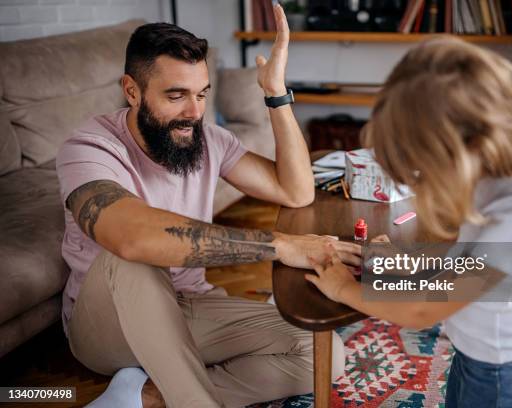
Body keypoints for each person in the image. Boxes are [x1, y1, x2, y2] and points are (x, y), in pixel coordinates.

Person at [56, 5, 360, 408]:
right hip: (107, 326)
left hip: (189, 304)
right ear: (131, 90)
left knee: (322, 353)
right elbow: (130, 237)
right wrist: (281, 245)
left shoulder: (207, 138)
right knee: (133, 253)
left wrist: (275, 93)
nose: (194, 112)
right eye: (176, 96)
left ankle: (142, 396)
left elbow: (298, 192)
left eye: (201, 95)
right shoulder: (88, 148)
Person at [306, 37, 512, 408]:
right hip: (481, 350)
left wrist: (342, 290)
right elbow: (468, 256)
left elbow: (421, 311)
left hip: (503, 371)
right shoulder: (510, 155)